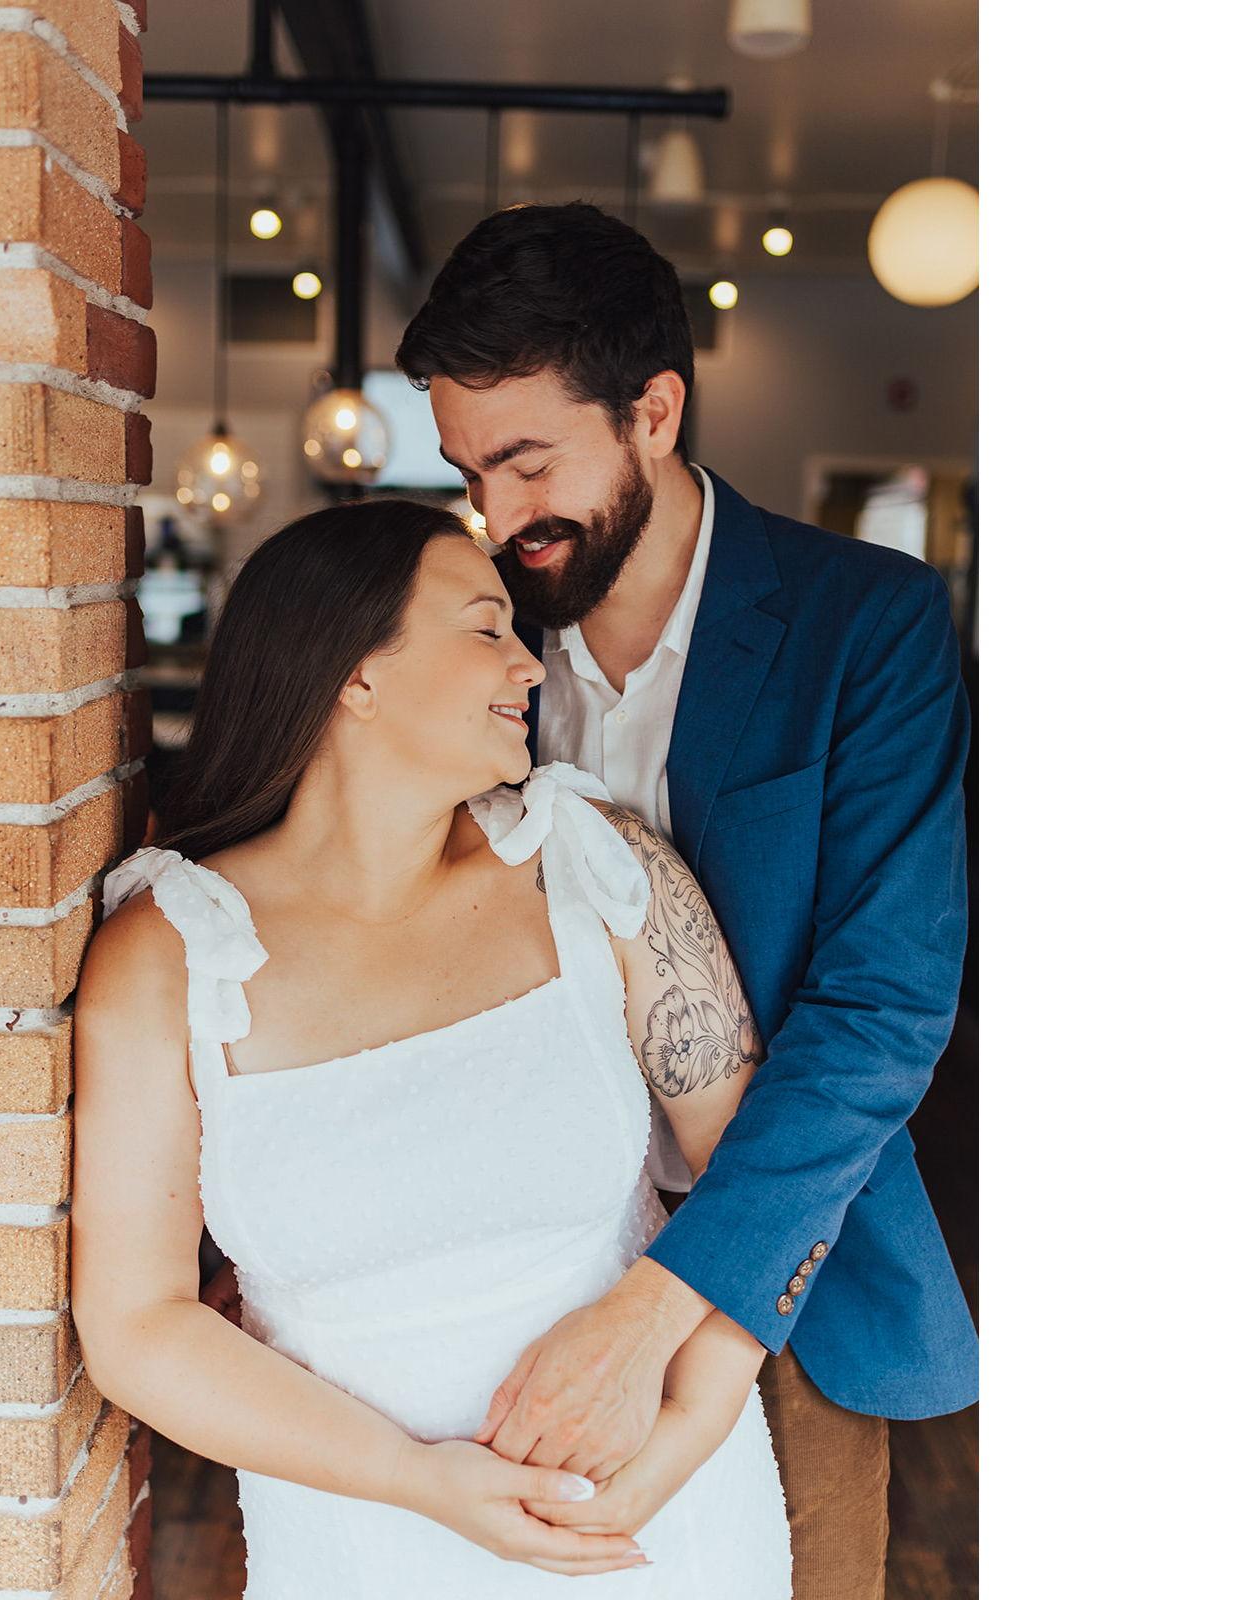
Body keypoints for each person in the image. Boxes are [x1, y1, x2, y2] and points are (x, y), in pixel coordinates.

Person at [387, 202, 979, 1600]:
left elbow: (882, 1010)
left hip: (778, 1270)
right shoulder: (468, 636)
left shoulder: (865, 626)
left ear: (653, 411)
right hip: (496, 1267)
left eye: (529, 465)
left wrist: (669, 1304)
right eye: (471, 475)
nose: (498, 521)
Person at [70, 499, 792, 1596]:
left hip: (658, 1525)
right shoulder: (170, 957)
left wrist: (691, 1419)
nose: (529, 665)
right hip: (360, 1545)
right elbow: (136, 1325)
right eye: (485, 628)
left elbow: (765, 1170)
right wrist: (416, 1480)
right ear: (355, 676)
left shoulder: (591, 865)